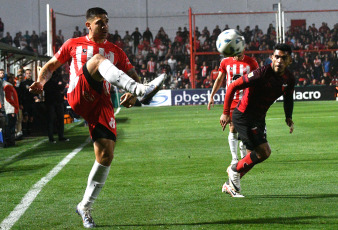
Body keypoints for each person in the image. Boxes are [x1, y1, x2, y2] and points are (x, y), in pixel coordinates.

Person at [29, 7, 165, 228]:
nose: (105, 26)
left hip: (102, 103)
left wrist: (130, 91)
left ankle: (84, 205)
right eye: (100, 22)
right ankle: (142, 91)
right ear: (88, 25)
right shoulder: (73, 44)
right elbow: (52, 66)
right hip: (79, 94)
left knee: (106, 156)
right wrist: (41, 82)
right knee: (97, 60)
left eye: (107, 22)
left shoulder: (116, 51)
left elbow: (132, 73)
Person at [220, 43, 295, 197]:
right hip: (244, 116)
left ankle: (230, 184)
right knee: (264, 152)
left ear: (289, 61)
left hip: (259, 118)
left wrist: (288, 116)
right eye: (277, 57)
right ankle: (234, 171)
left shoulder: (289, 78)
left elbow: (288, 98)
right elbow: (233, 86)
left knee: (252, 157)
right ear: (272, 58)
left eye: (284, 58)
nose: (280, 60)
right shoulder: (261, 73)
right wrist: (226, 113)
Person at [208, 50, 259, 171]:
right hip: (232, 100)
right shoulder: (225, 62)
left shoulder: (251, 62)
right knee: (232, 127)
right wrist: (212, 95)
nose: (239, 53)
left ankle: (243, 153)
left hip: (247, 100)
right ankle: (234, 158)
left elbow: (257, 79)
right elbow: (219, 79)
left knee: (245, 128)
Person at [43, 68, 69, 143]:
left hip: (56, 100)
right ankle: (52, 137)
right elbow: (49, 87)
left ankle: (59, 136)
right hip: (51, 101)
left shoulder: (56, 77)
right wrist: (58, 86)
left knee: (59, 119)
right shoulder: (48, 78)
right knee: (51, 119)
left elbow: (61, 85)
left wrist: (59, 86)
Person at [3, 74, 19, 147]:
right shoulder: (7, 86)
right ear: (9, 79)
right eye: (12, 78)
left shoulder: (8, 86)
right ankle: (10, 141)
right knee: (10, 126)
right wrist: (15, 106)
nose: (14, 80)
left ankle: (10, 141)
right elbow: (8, 98)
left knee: (11, 126)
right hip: (11, 109)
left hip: (11, 108)